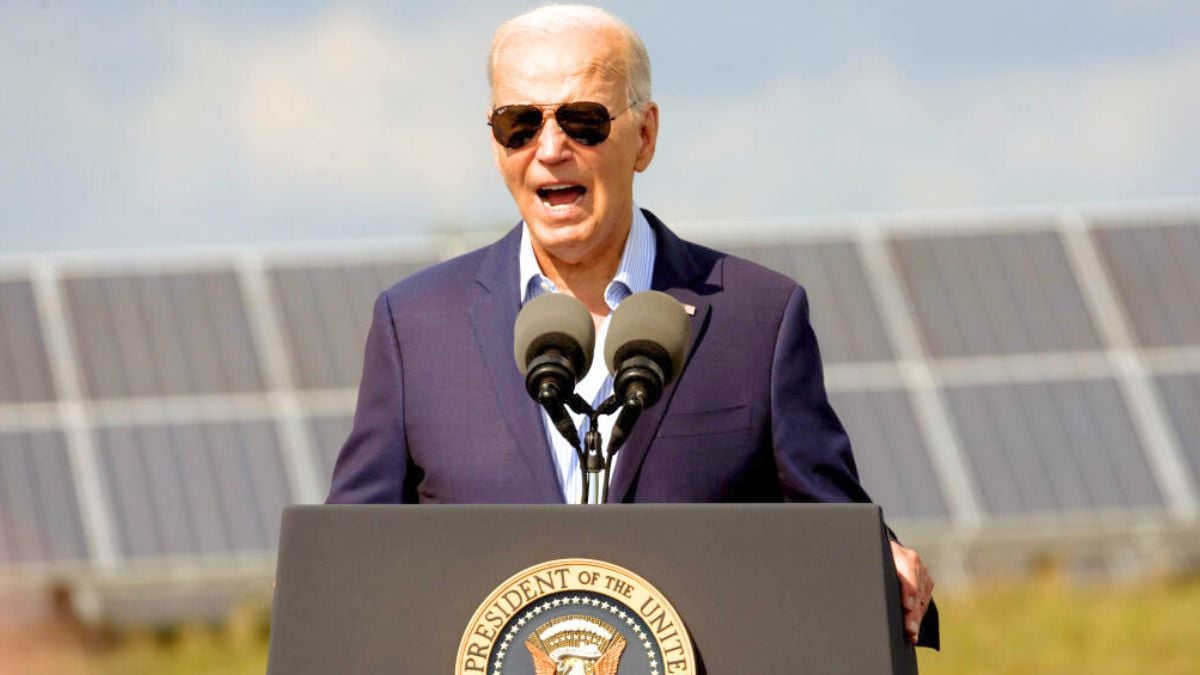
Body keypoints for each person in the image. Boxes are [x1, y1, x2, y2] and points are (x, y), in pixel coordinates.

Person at [327, 3, 937, 647]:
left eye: (583, 121)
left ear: (644, 136)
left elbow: (828, 522)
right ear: (495, 141)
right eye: (520, 123)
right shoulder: (415, 326)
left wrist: (878, 557)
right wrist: (323, 577)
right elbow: (352, 552)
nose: (550, 149)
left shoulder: (758, 317)